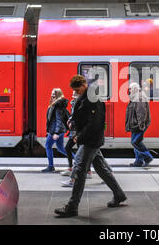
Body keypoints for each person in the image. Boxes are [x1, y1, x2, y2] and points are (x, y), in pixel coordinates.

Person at [54, 75, 126, 218]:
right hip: (88, 139)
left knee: (80, 169)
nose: (76, 93)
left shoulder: (93, 99)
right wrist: (71, 121)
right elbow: (81, 116)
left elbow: (94, 123)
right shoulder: (85, 97)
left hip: (91, 140)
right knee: (101, 169)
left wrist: (79, 137)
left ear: (83, 85)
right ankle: (119, 194)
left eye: (77, 90)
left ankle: (72, 207)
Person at [125, 82, 153, 167]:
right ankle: (139, 161)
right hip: (135, 124)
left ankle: (147, 156)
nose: (129, 91)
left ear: (135, 89)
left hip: (138, 124)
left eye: (130, 89)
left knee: (135, 142)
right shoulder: (136, 96)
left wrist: (141, 124)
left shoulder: (139, 97)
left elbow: (141, 112)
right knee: (137, 142)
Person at [42, 88, 69, 173]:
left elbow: (59, 120)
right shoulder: (56, 104)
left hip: (56, 130)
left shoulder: (57, 106)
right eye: (52, 93)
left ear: (59, 94)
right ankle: (78, 160)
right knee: (60, 148)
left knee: (48, 146)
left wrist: (56, 133)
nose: (52, 95)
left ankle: (51, 166)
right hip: (56, 130)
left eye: (54, 93)